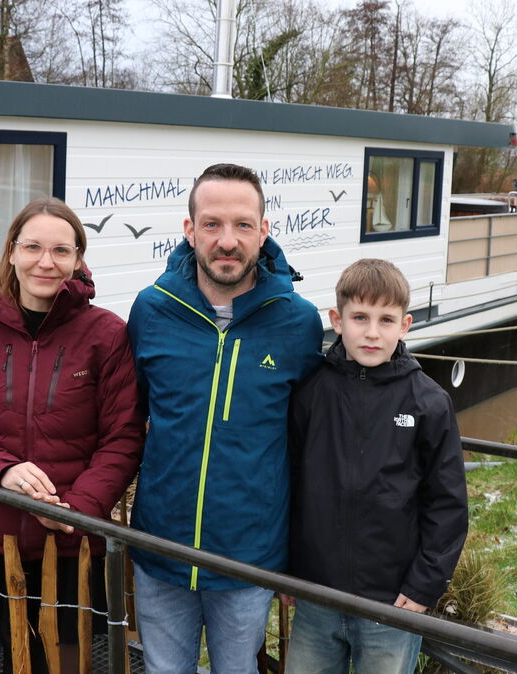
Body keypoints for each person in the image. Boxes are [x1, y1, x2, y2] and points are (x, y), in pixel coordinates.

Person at [0, 197, 143, 672]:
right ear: (10, 252)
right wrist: (2, 470)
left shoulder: (105, 333)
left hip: (68, 545)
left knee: (64, 659)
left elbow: (123, 438)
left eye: (61, 251)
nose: (46, 262)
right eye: (33, 247)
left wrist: (76, 510)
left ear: (77, 260)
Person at [127, 163, 323, 673]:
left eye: (242, 225)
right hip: (160, 545)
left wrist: (298, 556)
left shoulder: (298, 322)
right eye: (212, 224)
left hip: (248, 554)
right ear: (189, 231)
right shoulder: (152, 310)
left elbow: (307, 445)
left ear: (264, 230)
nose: (227, 240)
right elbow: (133, 417)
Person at [285, 258, 468, 674]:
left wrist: (424, 585)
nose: (371, 332)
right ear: (337, 319)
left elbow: (448, 505)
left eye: (385, 320)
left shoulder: (429, 403)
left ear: (404, 325)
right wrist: (289, 567)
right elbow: (290, 482)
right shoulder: (311, 393)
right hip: (317, 594)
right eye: (360, 317)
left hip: (393, 602)